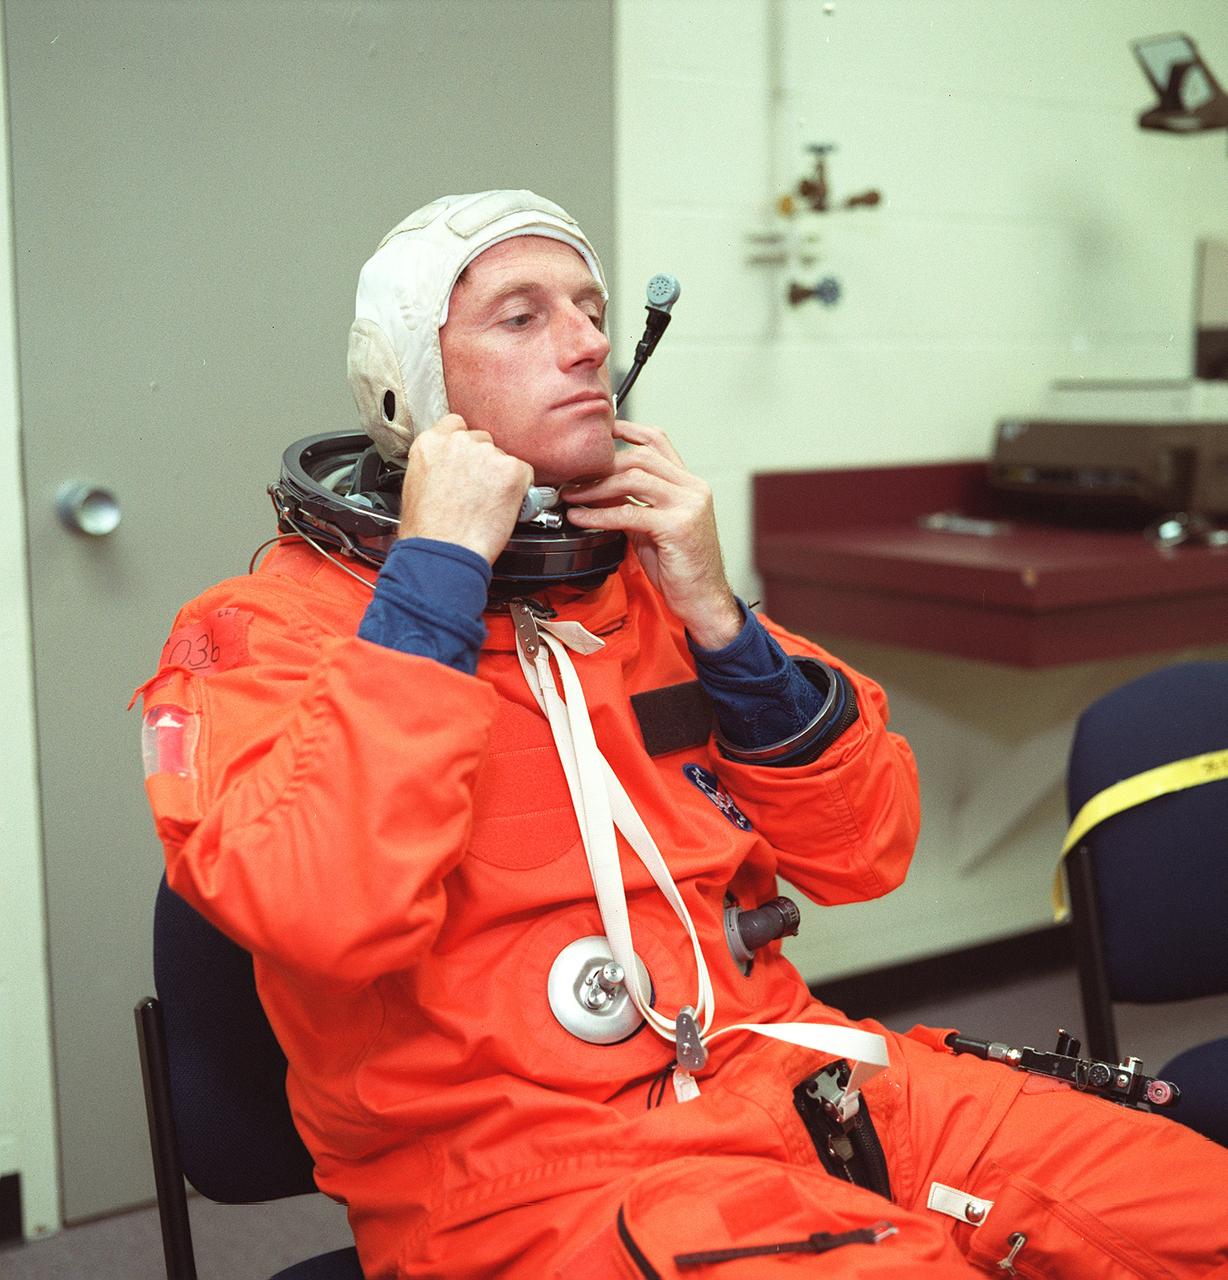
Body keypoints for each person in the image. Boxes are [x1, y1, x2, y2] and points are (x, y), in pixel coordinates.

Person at [137, 190, 1228, 1279]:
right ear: (411, 378)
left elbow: (865, 849)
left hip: (804, 1077)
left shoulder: (644, 592)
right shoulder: (260, 634)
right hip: (536, 1179)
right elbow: (328, 910)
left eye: (591, 308)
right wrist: (435, 576)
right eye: (522, 317)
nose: (588, 343)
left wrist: (718, 616)